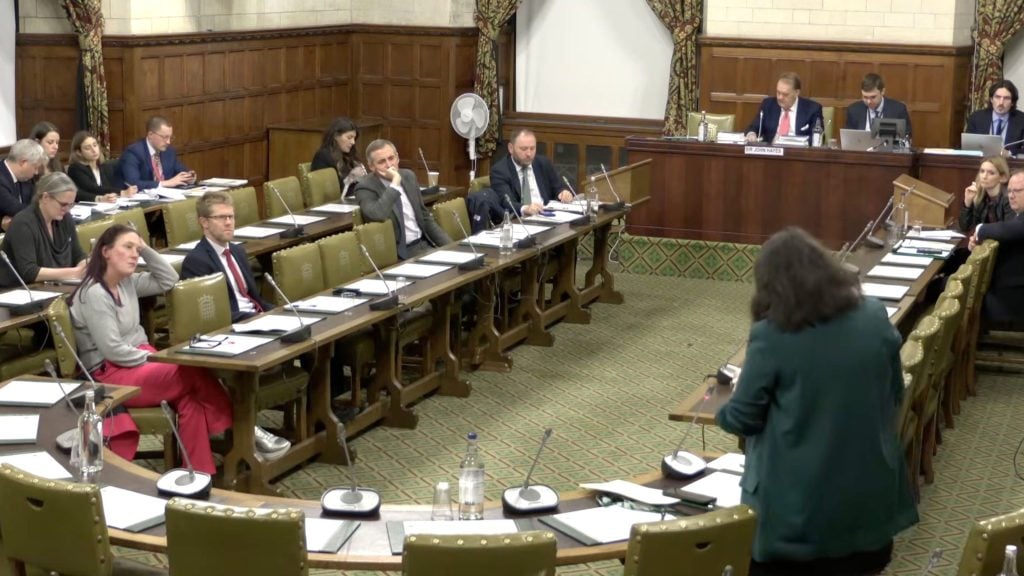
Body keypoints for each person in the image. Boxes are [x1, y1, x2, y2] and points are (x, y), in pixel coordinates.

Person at [715, 227, 918, 576]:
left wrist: (724, 408)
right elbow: (895, 392)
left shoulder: (772, 333)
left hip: (798, 525)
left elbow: (742, 419)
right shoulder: (873, 315)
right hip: (869, 511)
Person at [69, 225, 290, 473]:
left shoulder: (126, 282)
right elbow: (112, 350)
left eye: (137, 248)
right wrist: (156, 358)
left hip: (139, 360)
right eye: (127, 247)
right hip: (110, 374)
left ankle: (198, 473)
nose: (135, 254)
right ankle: (246, 430)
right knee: (191, 370)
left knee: (191, 401)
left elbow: (170, 280)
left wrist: (146, 249)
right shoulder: (94, 294)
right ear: (106, 252)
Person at [180, 190, 272, 322]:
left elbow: (254, 298)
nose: (228, 223)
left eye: (231, 217)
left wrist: (279, 311)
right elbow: (213, 314)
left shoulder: (238, 252)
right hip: (234, 325)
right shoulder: (197, 261)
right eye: (221, 217)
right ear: (204, 222)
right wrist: (257, 318)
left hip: (256, 317)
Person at [353, 139, 451, 259]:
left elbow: (424, 217)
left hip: (423, 245)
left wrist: (451, 247)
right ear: (371, 166)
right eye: (382, 162)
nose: (389, 165)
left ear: (397, 158)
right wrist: (394, 184)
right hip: (398, 254)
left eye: (391, 158)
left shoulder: (408, 176)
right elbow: (377, 214)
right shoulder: (365, 187)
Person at [0, 172, 86, 288]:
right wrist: (74, 272)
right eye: (63, 204)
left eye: (70, 205)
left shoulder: (65, 218)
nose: (67, 210)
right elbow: (30, 272)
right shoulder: (23, 223)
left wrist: (86, 266)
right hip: (23, 290)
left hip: (57, 285)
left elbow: (78, 255)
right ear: (46, 198)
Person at [971, 170, 1024, 330]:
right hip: (1008, 295)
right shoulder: (1019, 216)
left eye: (1018, 191)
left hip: (1013, 305)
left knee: (952, 295)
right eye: (1009, 191)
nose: (1011, 196)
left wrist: (980, 230)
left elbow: (1008, 230)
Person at [489, 128, 574, 217]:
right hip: (521, 220)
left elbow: (558, 187)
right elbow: (506, 203)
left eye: (532, 148)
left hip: (547, 214)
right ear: (511, 148)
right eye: (524, 149)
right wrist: (525, 208)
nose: (529, 154)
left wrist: (564, 193)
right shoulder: (500, 171)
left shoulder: (543, 163)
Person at [119, 116, 196, 190]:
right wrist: (164, 183)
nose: (168, 142)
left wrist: (189, 177)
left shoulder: (169, 151)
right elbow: (133, 183)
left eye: (170, 137)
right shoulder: (133, 152)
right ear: (150, 135)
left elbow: (181, 171)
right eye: (165, 137)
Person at [745, 72, 824, 144]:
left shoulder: (813, 109)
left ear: (797, 92)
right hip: (771, 153)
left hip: (798, 154)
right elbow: (754, 127)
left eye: (785, 94)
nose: (780, 97)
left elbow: (816, 138)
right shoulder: (768, 105)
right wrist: (751, 133)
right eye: (778, 92)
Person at [67, 130, 138, 202]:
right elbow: (92, 188)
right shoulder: (75, 169)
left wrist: (128, 189)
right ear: (79, 152)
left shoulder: (104, 167)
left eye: (95, 145)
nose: (94, 150)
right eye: (88, 148)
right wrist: (121, 192)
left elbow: (110, 187)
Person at [310, 117, 366, 198]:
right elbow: (326, 190)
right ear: (336, 136)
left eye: (354, 138)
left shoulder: (349, 155)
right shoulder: (323, 156)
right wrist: (349, 179)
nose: (353, 142)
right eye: (349, 138)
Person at [965, 80, 1024, 156]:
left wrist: (1009, 153)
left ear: (1012, 102)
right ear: (991, 99)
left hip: (1010, 165)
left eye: (1006, 98)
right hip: (981, 163)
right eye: (997, 97)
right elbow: (968, 146)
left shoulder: (1021, 120)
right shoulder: (977, 118)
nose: (1001, 103)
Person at [0, 139, 47, 232]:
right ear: (23, 162)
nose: (36, 172)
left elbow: (34, 203)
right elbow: (14, 208)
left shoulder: (25, 177)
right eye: (35, 167)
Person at [844, 73, 912, 136]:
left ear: (882, 91)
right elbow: (849, 137)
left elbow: (907, 136)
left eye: (873, 97)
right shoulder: (853, 110)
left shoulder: (898, 109)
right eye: (865, 97)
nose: (868, 102)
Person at [958, 156, 1012, 232]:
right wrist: (967, 203)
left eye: (991, 173)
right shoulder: (980, 197)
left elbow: (1008, 231)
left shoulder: (1009, 198)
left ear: (1002, 177)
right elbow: (965, 228)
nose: (984, 176)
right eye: (982, 171)